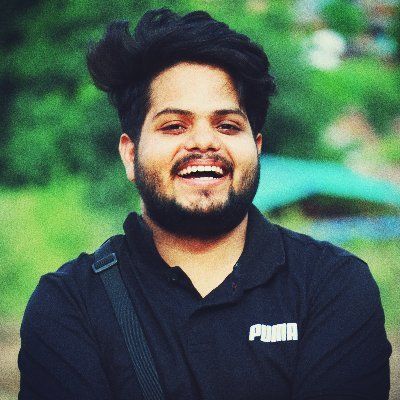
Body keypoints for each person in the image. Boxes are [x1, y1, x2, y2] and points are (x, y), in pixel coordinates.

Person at [18, 8, 392, 400]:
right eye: (174, 126)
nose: (203, 142)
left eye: (227, 125)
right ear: (130, 155)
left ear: (256, 149)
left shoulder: (333, 286)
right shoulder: (69, 303)